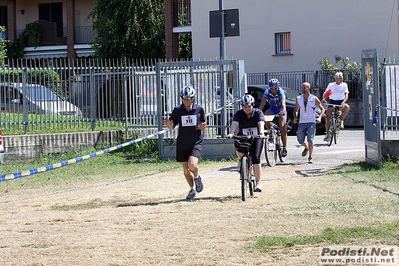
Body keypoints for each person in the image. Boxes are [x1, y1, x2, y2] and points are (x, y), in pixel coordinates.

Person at [163, 85, 207, 200]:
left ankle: (197, 177)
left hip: (195, 141)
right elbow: (173, 125)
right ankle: (192, 189)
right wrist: (169, 126)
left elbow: (203, 123)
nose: (186, 101)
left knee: (192, 165)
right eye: (184, 98)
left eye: (189, 99)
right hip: (182, 142)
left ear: (193, 98)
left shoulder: (199, 109)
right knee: (186, 169)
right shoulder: (177, 110)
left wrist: (202, 127)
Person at [227, 94, 265, 192]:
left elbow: (261, 123)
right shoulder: (239, 114)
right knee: (239, 148)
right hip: (243, 137)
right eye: (244, 106)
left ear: (253, 105)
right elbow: (234, 123)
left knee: (256, 158)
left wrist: (261, 133)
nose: (247, 108)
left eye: (249, 106)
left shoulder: (258, 113)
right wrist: (231, 133)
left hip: (256, 137)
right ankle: (242, 162)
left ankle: (258, 182)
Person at [293, 82, 325, 163]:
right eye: (302, 87)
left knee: (310, 140)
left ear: (309, 88)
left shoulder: (314, 99)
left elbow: (322, 109)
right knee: (300, 140)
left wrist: (319, 117)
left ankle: (310, 157)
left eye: (305, 87)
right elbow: (296, 109)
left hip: (311, 121)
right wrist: (295, 117)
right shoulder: (298, 98)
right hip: (302, 122)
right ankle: (306, 147)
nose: (303, 89)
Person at [258, 78, 288, 157]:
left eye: (275, 88)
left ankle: (284, 148)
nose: (274, 90)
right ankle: (270, 131)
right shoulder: (267, 91)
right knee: (265, 116)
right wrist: (258, 112)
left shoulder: (280, 91)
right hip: (272, 108)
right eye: (272, 89)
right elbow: (262, 103)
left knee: (282, 127)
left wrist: (283, 111)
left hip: (280, 109)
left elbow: (283, 103)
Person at [322, 72, 351, 141]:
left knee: (347, 107)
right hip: (332, 101)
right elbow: (326, 92)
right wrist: (323, 98)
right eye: (340, 78)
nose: (342, 79)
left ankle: (341, 120)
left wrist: (343, 102)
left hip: (340, 101)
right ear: (336, 78)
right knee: (327, 118)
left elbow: (346, 94)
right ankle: (327, 133)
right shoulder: (331, 85)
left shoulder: (344, 85)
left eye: (342, 77)